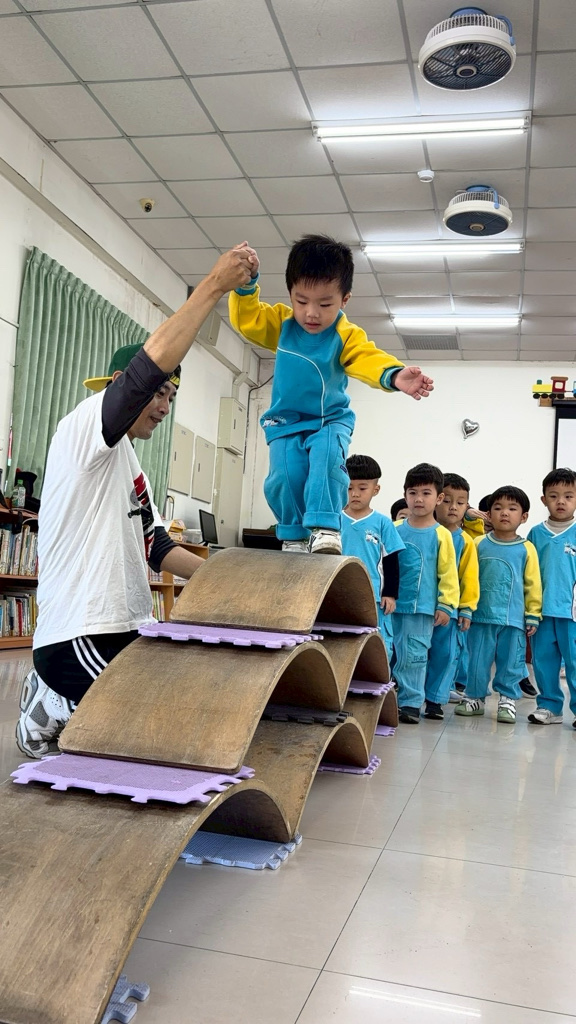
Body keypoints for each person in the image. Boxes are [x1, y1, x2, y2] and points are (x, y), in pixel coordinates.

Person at [16, 246, 255, 758]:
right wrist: (213, 286)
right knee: (155, 726)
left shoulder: (130, 462)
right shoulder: (85, 426)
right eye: (158, 393)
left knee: (186, 705)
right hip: (79, 634)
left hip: (129, 626)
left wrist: (228, 579)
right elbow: (144, 372)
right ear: (118, 389)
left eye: (171, 397)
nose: (164, 406)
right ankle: (54, 699)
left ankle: (69, 704)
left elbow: (156, 546)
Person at [228, 235, 434, 555]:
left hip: (329, 420)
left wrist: (394, 375)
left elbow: (366, 357)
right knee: (284, 476)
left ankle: (325, 527)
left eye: (325, 304)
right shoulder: (282, 324)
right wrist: (245, 285)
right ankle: (294, 535)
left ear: (344, 299)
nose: (311, 313)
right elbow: (247, 320)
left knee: (326, 461)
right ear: (290, 294)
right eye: (301, 301)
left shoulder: (344, 334)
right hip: (285, 422)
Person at [455, 486, 542, 724]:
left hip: (513, 620)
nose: (504, 513)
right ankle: (474, 697)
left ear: (524, 516)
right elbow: (468, 578)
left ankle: (507, 699)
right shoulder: (478, 543)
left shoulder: (527, 548)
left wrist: (533, 614)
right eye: (498, 508)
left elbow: (533, 584)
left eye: (512, 509)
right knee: (476, 660)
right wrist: (466, 608)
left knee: (511, 662)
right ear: (488, 514)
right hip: (480, 617)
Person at [392, 463, 459, 724]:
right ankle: (385, 700)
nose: (418, 499)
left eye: (426, 493)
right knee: (387, 653)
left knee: (415, 656)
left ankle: (410, 703)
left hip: (422, 608)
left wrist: (446, 605)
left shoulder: (441, 535)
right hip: (390, 606)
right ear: (405, 495)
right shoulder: (394, 529)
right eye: (413, 492)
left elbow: (448, 574)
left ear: (439, 498)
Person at [425, 472, 480, 719]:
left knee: (446, 654)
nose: (453, 507)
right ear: (438, 499)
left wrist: (466, 608)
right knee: (416, 653)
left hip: (450, 611)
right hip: (420, 607)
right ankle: (410, 695)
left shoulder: (466, 542)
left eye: (460, 502)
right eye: (447, 501)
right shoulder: (426, 532)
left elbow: (470, 578)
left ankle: (435, 699)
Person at [341, 454, 405, 661]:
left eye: (362, 488)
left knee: (378, 645)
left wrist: (390, 594)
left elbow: (391, 560)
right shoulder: (333, 519)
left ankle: (378, 678)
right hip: (337, 594)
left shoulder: (382, 523)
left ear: (375, 490)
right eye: (349, 488)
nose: (355, 494)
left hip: (373, 597)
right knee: (342, 642)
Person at [527, 468, 576, 725]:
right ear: (544, 499)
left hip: (572, 613)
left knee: (574, 662)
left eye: (568, 496)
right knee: (543, 662)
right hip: (542, 612)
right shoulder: (536, 534)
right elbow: (528, 572)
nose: (561, 501)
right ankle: (549, 706)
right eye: (554, 496)